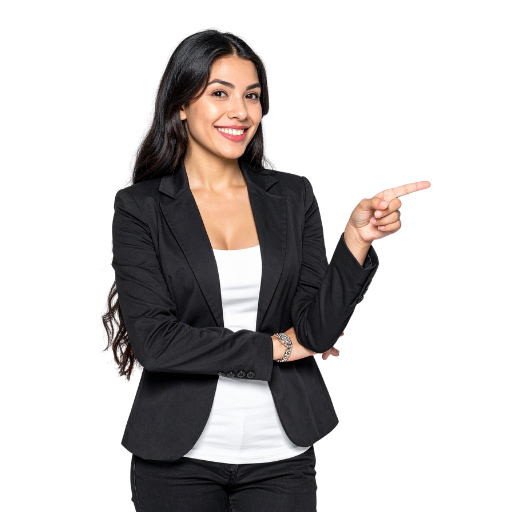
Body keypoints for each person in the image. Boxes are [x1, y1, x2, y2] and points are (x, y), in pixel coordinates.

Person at [101, 27, 431, 512]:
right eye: (220, 93)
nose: (241, 111)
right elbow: (156, 343)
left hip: (281, 456)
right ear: (181, 105)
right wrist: (277, 347)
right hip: (176, 457)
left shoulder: (292, 196)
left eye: (252, 96)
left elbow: (316, 332)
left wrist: (356, 241)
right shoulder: (139, 208)